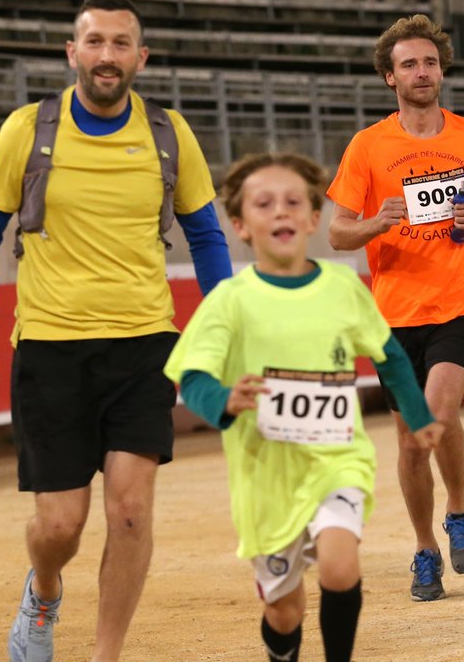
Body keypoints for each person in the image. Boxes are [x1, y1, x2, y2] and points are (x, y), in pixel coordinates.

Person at [0, 0, 232, 661]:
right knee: (59, 524)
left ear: (141, 57)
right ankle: (45, 588)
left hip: (143, 346)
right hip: (50, 349)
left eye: (120, 44)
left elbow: (206, 237)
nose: (107, 56)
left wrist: (225, 326)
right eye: (94, 42)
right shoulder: (27, 129)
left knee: (131, 508)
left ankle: (105, 653)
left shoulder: (170, 132)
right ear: (71, 52)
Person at [165, 152, 444, 662]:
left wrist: (419, 416)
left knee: (340, 567)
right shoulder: (230, 300)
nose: (281, 212)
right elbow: (193, 374)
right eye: (264, 203)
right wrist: (223, 399)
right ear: (240, 225)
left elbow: (391, 357)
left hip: (336, 461)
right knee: (284, 612)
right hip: (265, 479)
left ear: (314, 218)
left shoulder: (342, 289)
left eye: (294, 202)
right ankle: (282, 650)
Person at [326, 13, 464, 602]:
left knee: (435, 416)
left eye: (429, 61)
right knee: (411, 439)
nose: (422, 71)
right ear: (390, 77)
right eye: (409, 63)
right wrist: (372, 223)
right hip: (393, 315)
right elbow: (335, 234)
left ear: (441, 68)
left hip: (459, 301)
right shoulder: (368, 146)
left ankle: (458, 510)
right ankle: (425, 548)